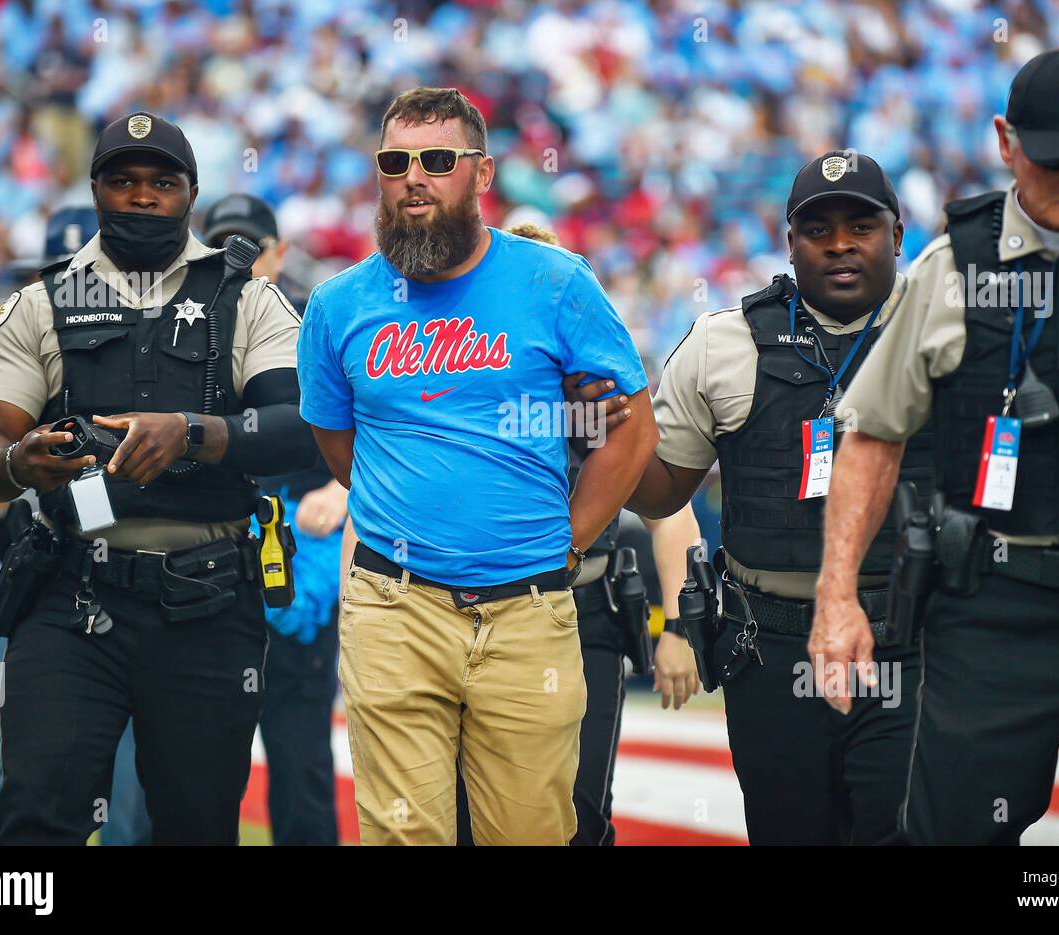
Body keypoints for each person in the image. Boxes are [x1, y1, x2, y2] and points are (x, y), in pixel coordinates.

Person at [812, 47, 1059, 845]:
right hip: (994, 613)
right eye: (1058, 158)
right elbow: (874, 433)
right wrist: (837, 594)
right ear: (1005, 141)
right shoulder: (952, 266)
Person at [298, 87, 657, 845]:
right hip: (394, 610)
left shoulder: (557, 282)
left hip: (531, 609)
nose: (414, 177)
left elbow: (632, 432)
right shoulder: (336, 306)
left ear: (483, 174)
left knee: (530, 835)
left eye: (437, 160)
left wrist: (570, 541)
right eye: (396, 162)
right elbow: (342, 449)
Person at [0, 112, 316, 845]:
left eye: (162, 181)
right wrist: (19, 459)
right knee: (33, 819)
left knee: (196, 826)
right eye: (123, 180)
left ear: (191, 192)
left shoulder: (248, 297)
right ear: (95, 190)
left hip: (209, 601)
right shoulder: (42, 301)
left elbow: (298, 426)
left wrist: (194, 432)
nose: (143, 196)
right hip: (71, 594)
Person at [627, 151, 928, 844]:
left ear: (897, 235)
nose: (842, 243)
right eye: (819, 229)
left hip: (910, 642)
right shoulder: (722, 343)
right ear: (791, 244)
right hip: (769, 647)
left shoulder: (944, 336)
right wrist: (608, 423)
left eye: (862, 225)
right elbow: (660, 490)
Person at [454, 221, 702, 847]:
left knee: (578, 812)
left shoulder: (605, 382)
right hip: (470, 608)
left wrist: (678, 628)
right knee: (465, 809)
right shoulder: (463, 379)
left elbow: (669, 509)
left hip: (581, 602)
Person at [0, 205, 153, 846]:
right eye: (61, 270)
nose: (72, 282)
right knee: (4, 757)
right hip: (34, 569)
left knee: (123, 764)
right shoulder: (29, 331)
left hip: (110, 567)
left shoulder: (125, 344)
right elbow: (3, 476)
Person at [204, 192, 344, 846]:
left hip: (297, 567)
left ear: (280, 253)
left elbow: (380, 427)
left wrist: (349, 493)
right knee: (195, 773)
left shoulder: (320, 326)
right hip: (206, 574)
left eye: (249, 245)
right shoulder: (182, 333)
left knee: (300, 760)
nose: (236, 259)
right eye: (220, 245)